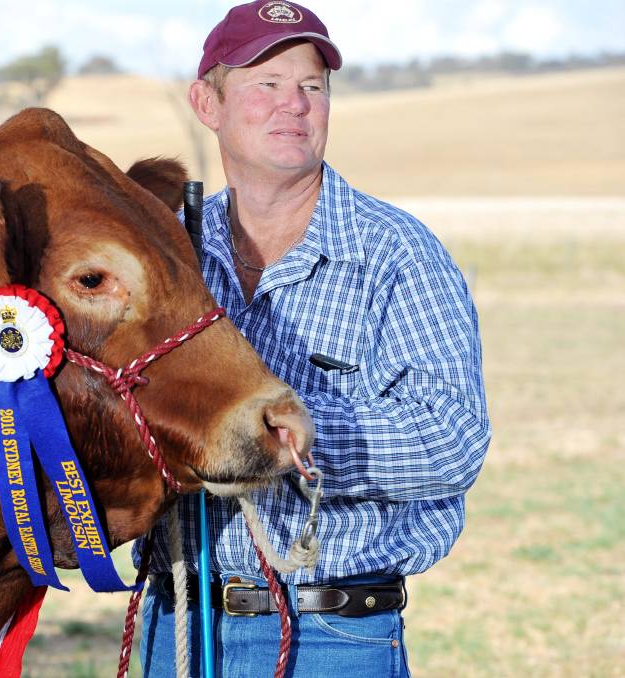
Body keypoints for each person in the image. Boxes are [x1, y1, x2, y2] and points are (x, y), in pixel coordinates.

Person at [136, 2, 492, 676]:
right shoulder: (167, 255)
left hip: (332, 636)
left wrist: (284, 432)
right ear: (207, 103)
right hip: (177, 625)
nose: (294, 104)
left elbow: (453, 441)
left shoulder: (398, 253)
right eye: (266, 84)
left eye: (312, 86)